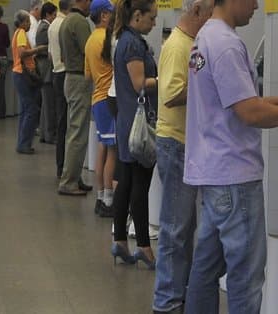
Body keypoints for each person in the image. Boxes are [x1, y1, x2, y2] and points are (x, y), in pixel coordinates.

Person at [182, 0, 278, 313]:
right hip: (234, 178)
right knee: (245, 278)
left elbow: (234, 100)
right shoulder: (226, 44)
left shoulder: (206, 37)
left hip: (213, 175)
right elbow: (249, 113)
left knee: (205, 270)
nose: (258, 5)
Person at [151, 0, 213, 313]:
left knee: (184, 228)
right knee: (175, 229)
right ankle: (167, 302)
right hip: (176, 144)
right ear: (198, 10)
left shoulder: (192, 43)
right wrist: (209, 84)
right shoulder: (178, 46)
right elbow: (171, 95)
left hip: (184, 145)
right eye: (213, 9)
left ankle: (178, 295)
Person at [111, 0, 158, 269]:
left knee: (127, 181)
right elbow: (140, 84)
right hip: (138, 125)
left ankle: (119, 240)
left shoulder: (126, 39)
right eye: (151, 18)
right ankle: (143, 246)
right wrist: (168, 79)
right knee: (140, 183)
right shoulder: (133, 44)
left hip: (128, 120)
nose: (154, 23)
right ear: (137, 16)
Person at [57, 0, 93, 196]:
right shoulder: (79, 22)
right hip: (79, 79)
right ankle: (69, 181)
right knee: (78, 133)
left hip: (70, 77)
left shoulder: (66, 21)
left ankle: (73, 176)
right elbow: (90, 51)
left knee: (74, 131)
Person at [84, 0, 116, 217]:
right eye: (111, 14)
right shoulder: (108, 39)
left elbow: (88, 75)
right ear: (104, 15)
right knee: (112, 150)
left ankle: (100, 197)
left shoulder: (90, 40)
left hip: (97, 98)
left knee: (102, 149)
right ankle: (109, 201)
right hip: (109, 99)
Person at [12, 10, 47, 155]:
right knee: (31, 109)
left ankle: (23, 142)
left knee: (26, 110)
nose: (29, 23)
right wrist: (37, 49)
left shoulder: (19, 33)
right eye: (27, 21)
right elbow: (21, 53)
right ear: (21, 22)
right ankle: (24, 144)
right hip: (23, 74)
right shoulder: (20, 33)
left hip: (19, 73)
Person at [47, 0, 71, 178]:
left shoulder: (53, 24)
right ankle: (66, 169)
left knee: (61, 123)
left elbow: (50, 53)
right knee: (69, 125)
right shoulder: (66, 25)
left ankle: (60, 167)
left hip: (56, 73)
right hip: (66, 74)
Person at [36, 2, 58, 145]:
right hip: (46, 71)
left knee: (45, 105)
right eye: (54, 15)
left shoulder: (42, 27)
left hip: (44, 71)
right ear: (48, 15)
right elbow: (44, 49)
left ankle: (44, 133)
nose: (55, 18)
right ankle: (50, 134)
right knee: (49, 105)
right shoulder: (45, 28)